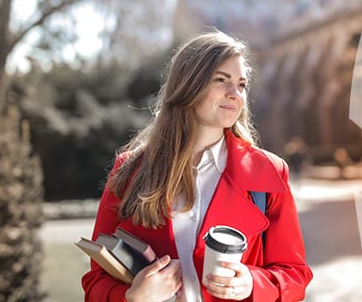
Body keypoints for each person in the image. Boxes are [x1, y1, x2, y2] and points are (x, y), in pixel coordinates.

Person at [81, 31, 313, 301]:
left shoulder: (269, 172)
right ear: (188, 86)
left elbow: (295, 274)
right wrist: (133, 296)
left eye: (241, 84)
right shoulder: (130, 170)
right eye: (221, 80)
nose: (235, 94)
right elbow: (95, 281)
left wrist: (252, 283)